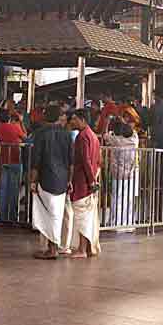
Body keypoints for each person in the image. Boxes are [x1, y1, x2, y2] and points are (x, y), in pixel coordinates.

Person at [31, 105, 74, 260]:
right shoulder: (67, 134)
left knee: (47, 214)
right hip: (62, 180)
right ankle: (53, 246)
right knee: (57, 214)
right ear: (59, 117)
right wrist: (69, 180)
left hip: (46, 178)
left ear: (45, 116)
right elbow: (71, 161)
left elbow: (36, 160)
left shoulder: (40, 134)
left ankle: (52, 248)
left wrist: (33, 181)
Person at [67, 110, 101, 258]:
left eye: (74, 119)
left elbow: (86, 160)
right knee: (88, 215)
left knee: (81, 216)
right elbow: (98, 162)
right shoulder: (94, 136)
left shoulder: (82, 137)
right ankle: (87, 248)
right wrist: (94, 179)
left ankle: (82, 250)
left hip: (82, 181)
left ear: (82, 119)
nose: (71, 122)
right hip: (90, 181)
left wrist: (91, 180)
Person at [103, 122, 138, 229]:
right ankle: (128, 223)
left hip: (118, 174)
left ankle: (116, 223)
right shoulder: (135, 140)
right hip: (131, 174)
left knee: (117, 199)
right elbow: (135, 133)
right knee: (129, 199)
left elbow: (106, 136)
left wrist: (109, 124)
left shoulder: (117, 141)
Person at [0, 108, 27, 221]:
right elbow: (26, 138)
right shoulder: (16, 127)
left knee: (3, 190)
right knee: (14, 192)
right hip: (15, 161)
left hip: (2, 162)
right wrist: (21, 122)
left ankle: (2, 216)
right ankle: (13, 217)